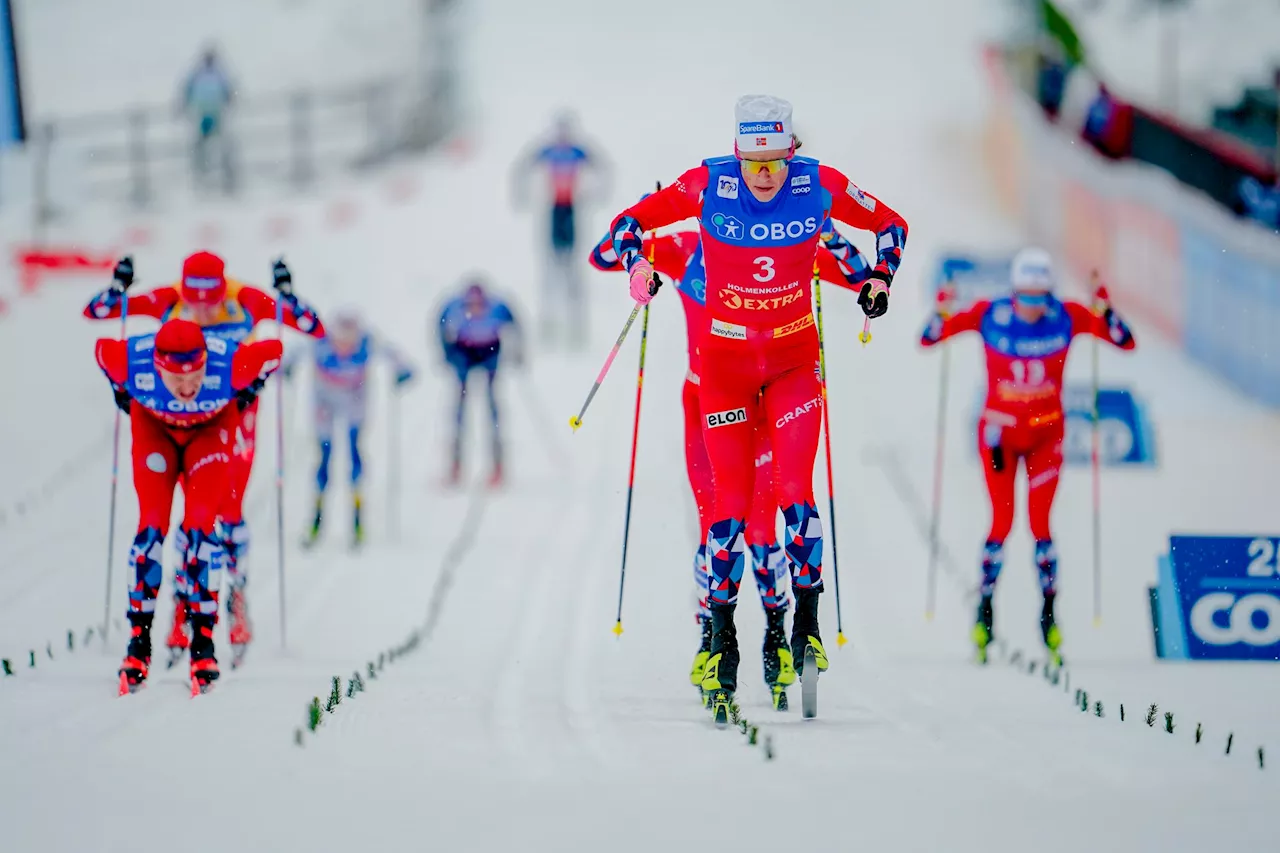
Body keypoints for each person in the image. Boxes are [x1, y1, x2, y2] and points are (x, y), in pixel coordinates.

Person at [605, 94, 908, 719]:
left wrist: (878, 278)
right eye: (752, 163)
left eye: (774, 161)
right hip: (724, 373)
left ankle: (805, 627)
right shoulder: (706, 186)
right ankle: (722, 641)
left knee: (796, 496)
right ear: (737, 155)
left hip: (794, 364)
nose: (764, 175)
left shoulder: (818, 185)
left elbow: (891, 226)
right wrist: (638, 268)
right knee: (728, 517)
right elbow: (622, 230)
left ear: (790, 152)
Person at [84, 252, 324, 663]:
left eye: (210, 301)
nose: (202, 310)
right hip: (168, 413)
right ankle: (182, 601)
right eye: (193, 302)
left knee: (223, 510)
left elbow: (311, 327)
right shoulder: (167, 300)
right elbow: (98, 313)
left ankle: (236, 594)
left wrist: (287, 294)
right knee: (172, 512)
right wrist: (118, 287)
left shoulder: (245, 300)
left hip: (232, 414)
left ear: (222, 288)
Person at [920, 248, 1136, 665]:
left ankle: (1049, 618)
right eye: (1026, 297)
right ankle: (984, 614)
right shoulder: (990, 314)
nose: (1034, 307)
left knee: (1041, 525)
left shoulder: (1067, 315)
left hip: (1046, 436)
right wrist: (941, 311)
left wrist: (1106, 311)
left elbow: (1125, 342)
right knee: (1001, 523)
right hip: (1000, 435)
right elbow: (929, 339)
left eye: (1041, 298)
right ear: (1013, 292)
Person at [95, 319, 283, 693]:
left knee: (200, 530)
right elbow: (102, 349)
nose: (187, 388)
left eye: (196, 376)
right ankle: (138, 644)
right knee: (151, 530)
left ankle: (203, 647)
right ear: (156, 366)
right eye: (176, 379)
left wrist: (252, 388)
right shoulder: (131, 360)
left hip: (210, 434)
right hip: (156, 433)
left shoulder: (231, 362)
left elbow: (274, 353)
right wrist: (119, 387)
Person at [286, 309, 415, 547]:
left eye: (350, 341)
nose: (345, 346)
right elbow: (294, 350)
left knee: (354, 453)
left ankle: (357, 519)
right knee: (324, 457)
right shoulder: (320, 340)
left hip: (355, 402)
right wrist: (285, 367)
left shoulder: (367, 341)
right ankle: (317, 518)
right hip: (324, 403)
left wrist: (403, 371)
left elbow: (392, 353)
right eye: (341, 340)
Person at [513, 111, 610, 346]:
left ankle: (577, 327)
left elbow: (603, 168)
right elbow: (522, 168)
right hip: (555, 211)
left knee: (573, 270)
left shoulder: (579, 150)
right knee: (551, 269)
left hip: (571, 210)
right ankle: (549, 325)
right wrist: (522, 195)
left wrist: (599, 194)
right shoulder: (549, 150)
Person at [437, 279, 521, 486]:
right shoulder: (454, 306)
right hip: (464, 353)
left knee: (493, 409)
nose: (475, 310)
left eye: (479, 306)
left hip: (489, 351)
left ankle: (498, 465)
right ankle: (455, 465)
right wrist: (447, 352)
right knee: (459, 411)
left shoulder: (498, 307)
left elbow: (516, 325)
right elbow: (440, 324)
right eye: (471, 306)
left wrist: (518, 352)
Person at [180, 46, 236, 192]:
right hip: (208, 112)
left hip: (209, 112)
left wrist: (184, 104)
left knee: (211, 143)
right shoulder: (213, 73)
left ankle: (212, 172)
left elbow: (188, 90)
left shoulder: (204, 73)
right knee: (210, 143)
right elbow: (228, 90)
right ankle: (207, 172)